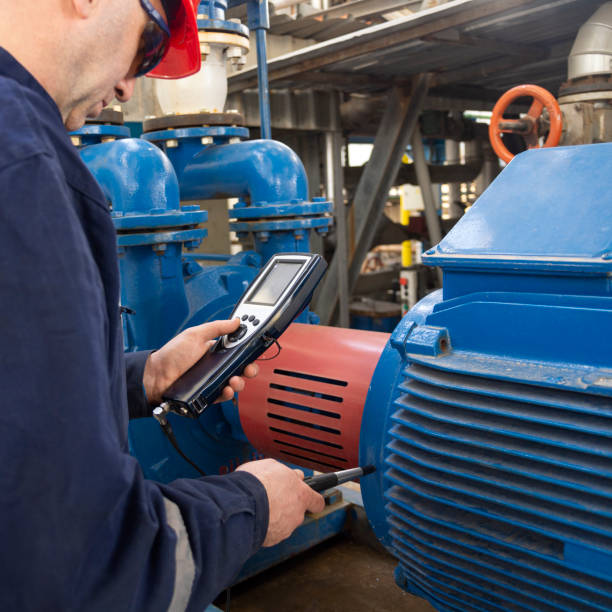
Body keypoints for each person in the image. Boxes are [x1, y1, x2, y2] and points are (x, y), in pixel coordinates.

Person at [0, 0, 325, 610]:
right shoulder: (23, 162)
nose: (129, 84)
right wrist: (251, 505)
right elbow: (86, 562)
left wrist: (141, 376)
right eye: (148, 45)